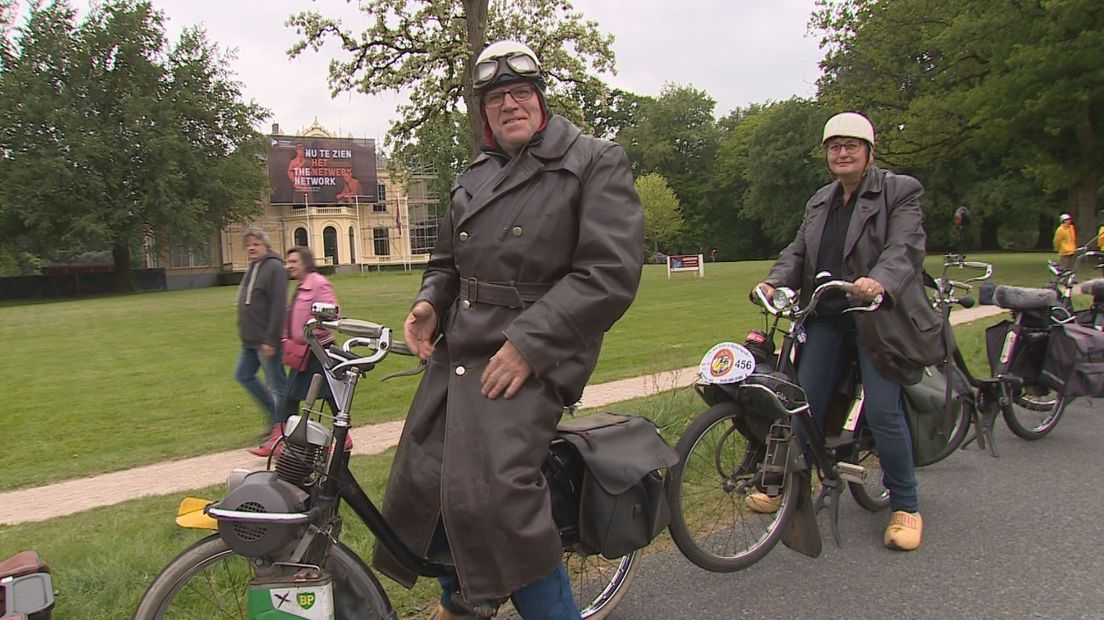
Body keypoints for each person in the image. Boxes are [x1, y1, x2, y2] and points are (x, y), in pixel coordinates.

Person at [371, 40, 644, 619]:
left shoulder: (593, 160)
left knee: (499, 494)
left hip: (541, 350)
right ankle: (463, 602)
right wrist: (429, 304)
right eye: (496, 98)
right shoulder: (473, 175)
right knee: (429, 475)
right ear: (484, 112)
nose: (510, 105)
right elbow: (446, 264)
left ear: (541, 100)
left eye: (520, 93)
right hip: (464, 347)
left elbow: (609, 273)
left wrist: (529, 345)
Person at [751, 112, 945, 552]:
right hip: (827, 316)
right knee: (803, 406)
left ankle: (906, 505)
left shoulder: (899, 191)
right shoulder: (820, 201)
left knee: (883, 410)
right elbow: (797, 251)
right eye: (834, 146)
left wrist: (880, 279)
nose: (841, 152)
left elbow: (905, 246)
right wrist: (776, 279)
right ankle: (784, 489)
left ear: (869, 153)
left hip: (880, 319)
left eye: (851, 145)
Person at [249, 246, 350, 457]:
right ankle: (288, 439)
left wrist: (312, 332)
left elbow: (333, 314)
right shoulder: (302, 285)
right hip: (304, 351)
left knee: (311, 395)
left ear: (305, 262)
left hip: (318, 350)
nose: (289, 266)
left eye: (294, 261)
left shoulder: (319, 284)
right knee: (302, 395)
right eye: (288, 262)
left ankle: (285, 440)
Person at [235, 227, 288, 444]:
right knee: (243, 375)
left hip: (265, 340)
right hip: (250, 339)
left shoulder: (274, 268)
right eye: (248, 245)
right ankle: (275, 417)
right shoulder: (254, 267)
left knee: (277, 385)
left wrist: (271, 339)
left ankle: (282, 427)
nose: (251, 248)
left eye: (256, 244)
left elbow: (278, 306)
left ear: (265, 245)